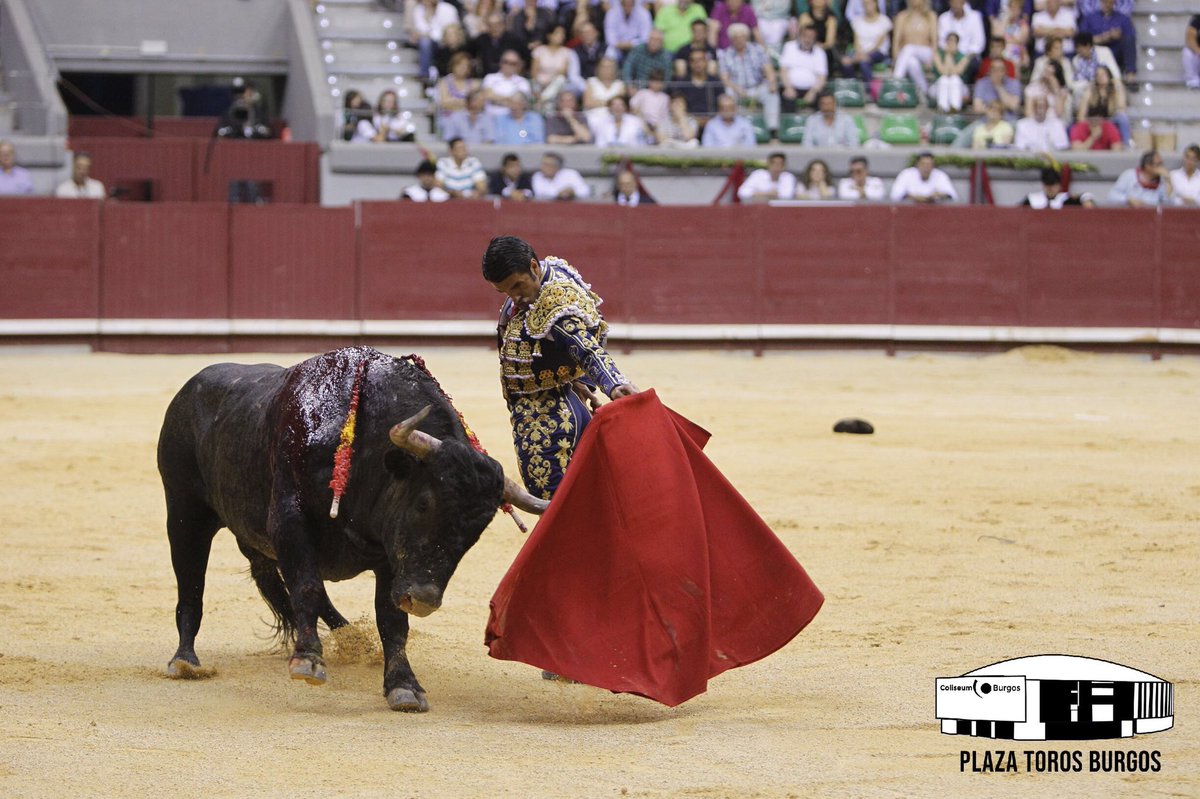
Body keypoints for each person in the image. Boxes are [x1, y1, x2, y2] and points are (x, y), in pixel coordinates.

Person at [482, 234, 638, 503]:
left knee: (552, 503)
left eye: (518, 286)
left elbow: (586, 345)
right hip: (565, 399)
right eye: (505, 291)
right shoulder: (554, 271)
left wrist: (612, 384)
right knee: (581, 495)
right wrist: (576, 378)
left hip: (546, 416)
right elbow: (592, 326)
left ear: (533, 267)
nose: (515, 297)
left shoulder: (555, 304)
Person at [718, 23, 780, 141]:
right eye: (736, 37)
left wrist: (772, 82)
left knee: (771, 93)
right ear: (731, 39)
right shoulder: (725, 54)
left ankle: (773, 130)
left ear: (746, 37)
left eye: (742, 36)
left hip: (757, 87)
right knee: (728, 93)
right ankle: (733, 132)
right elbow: (725, 78)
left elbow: (769, 70)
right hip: (737, 89)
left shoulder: (758, 49)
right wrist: (736, 88)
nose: (739, 39)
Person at [1077, 0, 1136, 86]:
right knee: (1086, 46)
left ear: (1114, 3)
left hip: (1115, 50)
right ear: (1101, 2)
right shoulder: (1090, 18)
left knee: (1129, 39)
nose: (1107, 5)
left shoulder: (1123, 18)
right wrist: (1104, 37)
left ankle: (1130, 73)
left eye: (1110, 2)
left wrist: (1119, 35)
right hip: (1095, 51)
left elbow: (1130, 36)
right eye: (1105, 2)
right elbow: (1081, 39)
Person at [891, 0, 938, 97]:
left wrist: (934, 59)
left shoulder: (931, 16)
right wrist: (896, 58)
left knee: (909, 48)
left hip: (927, 53)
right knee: (912, 62)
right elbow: (896, 41)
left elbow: (934, 41)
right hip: (906, 56)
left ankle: (896, 81)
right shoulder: (902, 16)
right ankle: (925, 91)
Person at [779, 25, 828, 111]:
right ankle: (791, 124)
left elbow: (822, 77)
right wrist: (788, 87)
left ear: (815, 39)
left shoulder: (820, 52)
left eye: (811, 37)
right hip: (791, 87)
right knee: (785, 96)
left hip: (812, 89)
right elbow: (783, 71)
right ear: (799, 36)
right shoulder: (789, 46)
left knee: (824, 99)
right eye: (805, 36)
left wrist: (813, 92)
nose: (807, 39)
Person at [843, 0, 892, 84]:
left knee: (864, 62)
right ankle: (854, 89)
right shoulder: (857, 21)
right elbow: (856, 41)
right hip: (860, 52)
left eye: (869, 3)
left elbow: (878, 44)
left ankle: (870, 90)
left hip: (878, 52)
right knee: (846, 62)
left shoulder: (884, 20)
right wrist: (859, 53)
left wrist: (863, 55)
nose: (867, 6)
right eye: (865, 4)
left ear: (875, 4)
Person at [890, 151, 957, 203]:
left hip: (935, 211)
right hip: (910, 211)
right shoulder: (906, 174)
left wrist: (941, 195)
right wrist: (912, 197)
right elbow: (895, 195)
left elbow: (952, 196)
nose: (926, 167)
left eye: (929, 164)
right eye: (923, 164)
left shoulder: (940, 175)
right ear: (917, 164)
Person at [483, 50, 534, 116]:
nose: (509, 65)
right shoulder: (490, 77)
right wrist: (510, 100)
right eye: (506, 62)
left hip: (512, 119)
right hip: (491, 116)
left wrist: (496, 99)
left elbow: (519, 102)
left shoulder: (522, 81)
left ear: (518, 65)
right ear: (500, 62)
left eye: (513, 63)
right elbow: (488, 95)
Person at [930, 32, 971, 112]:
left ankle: (954, 108)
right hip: (938, 87)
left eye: (953, 41)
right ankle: (943, 108)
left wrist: (950, 55)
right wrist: (947, 54)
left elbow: (956, 72)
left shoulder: (964, 57)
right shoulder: (937, 54)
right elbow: (943, 72)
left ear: (957, 43)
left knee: (954, 79)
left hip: (959, 87)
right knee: (944, 79)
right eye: (949, 40)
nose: (951, 43)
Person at [1019, 166, 1095, 207]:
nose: (1050, 188)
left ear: (1059, 185)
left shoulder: (1065, 199)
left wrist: (1086, 200)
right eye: (1048, 184)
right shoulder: (1032, 199)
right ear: (1044, 185)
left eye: (1053, 184)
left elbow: (1085, 196)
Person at [1186, 14, 1200, 90]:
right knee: (1187, 52)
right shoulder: (1197, 20)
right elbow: (1189, 38)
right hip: (1198, 54)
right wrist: (1197, 50)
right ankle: (1193, 80)